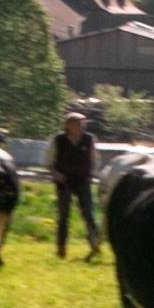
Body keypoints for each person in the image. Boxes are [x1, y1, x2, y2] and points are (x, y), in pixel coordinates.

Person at [51, 107, 100, 258]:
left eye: (82, 123)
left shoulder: (89, 139)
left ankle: (95, 244)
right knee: (63, 216)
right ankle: (61, 248)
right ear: (68, 125)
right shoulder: (57, 140)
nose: (81, 126)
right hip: (64, 181)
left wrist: (92, 173)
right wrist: (56, 174)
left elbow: (94, 159)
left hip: (82, 180)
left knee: (88, 214)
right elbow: (49, 161)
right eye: (77, 123)